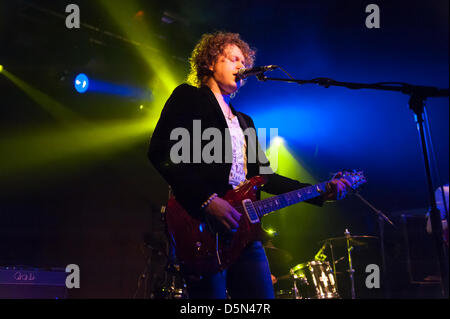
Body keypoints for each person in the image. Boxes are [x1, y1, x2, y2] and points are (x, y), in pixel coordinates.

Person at [148, 31, 352, 299]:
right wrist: (207, 201)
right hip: (202, 224)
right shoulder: (190, 98)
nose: (241, 67)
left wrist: (319, 190)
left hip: (245, 234)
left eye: (243, 62)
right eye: (233, 59)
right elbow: (161, 150)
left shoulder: (245, 122)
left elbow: (264, 177)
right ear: (210, 62)